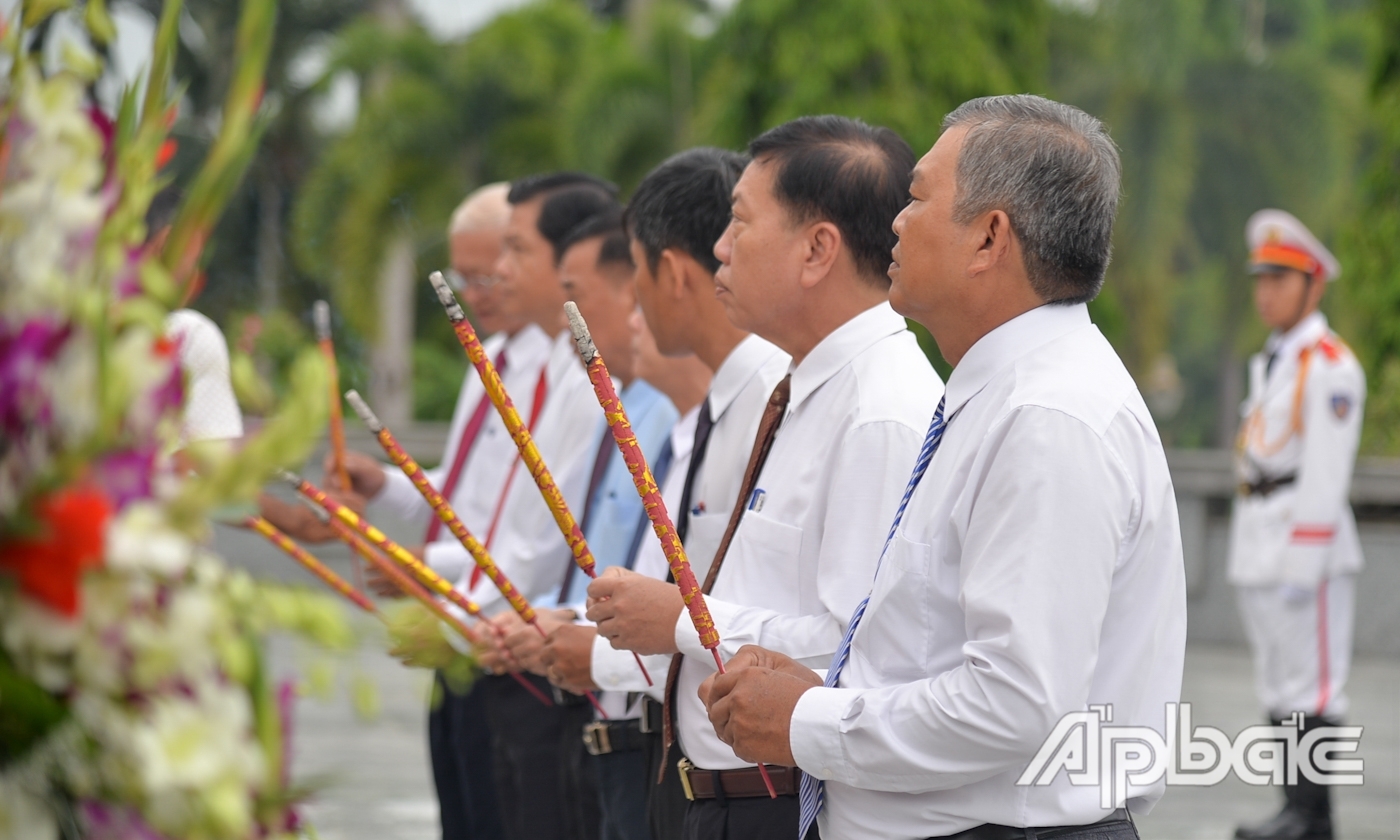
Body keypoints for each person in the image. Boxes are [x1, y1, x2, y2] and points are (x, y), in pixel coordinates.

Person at [699, 94, 1187, 840]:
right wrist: (832, 689)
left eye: (920, 197)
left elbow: (1013, 703)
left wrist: (813, 720)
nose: (897, 219)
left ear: (990, 237)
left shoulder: (1046, 417)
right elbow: (942, 650)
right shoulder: (998, 394)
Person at [588, 118, 941, 840]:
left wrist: (681, 620)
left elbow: (860, 653)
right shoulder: (804, 387)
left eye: (741, 223)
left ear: (817, 250)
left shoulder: (880, 410)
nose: (720, 247)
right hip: (725, 794)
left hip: (784, 802)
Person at [540, 146, 789, 840]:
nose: (632, 308)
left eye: (738, 233)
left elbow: (795, 633)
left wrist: (604, 649)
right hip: (687, 770)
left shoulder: (779, 401)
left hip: (754, 784)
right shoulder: (723, 407)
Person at [333, 182, 540, 840]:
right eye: (463, 275)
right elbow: (479, 488)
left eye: (490, 274)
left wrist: (427, 567)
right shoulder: (499, 360)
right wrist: (390, 486)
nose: (475, 292)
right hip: (459, 626)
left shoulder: (554, 370)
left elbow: (535, 521)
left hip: (508, 639)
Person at [497, 211, 679, 840]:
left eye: (574, 293)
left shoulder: (670, 415)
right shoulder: (628, 404)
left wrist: (575, 629)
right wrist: (553, 616)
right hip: (591, 691)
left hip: (641, 718)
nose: (561, 315)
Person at [464, 174, 623, 840]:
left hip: (565, 669)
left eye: (515, 251)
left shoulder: (603, 380)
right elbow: (513, 517)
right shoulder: (549, 366)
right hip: (531, 644)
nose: (499, 274)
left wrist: (475, 616)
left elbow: (554, 543)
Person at [1229, 209, 1364, 840]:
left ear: (1313, 285)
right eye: (1261, 278)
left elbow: (1326, 473)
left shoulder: (1330, 364)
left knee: (1313, 688)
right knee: (1281, 683)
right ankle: (1293, 811)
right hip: (1262, 537)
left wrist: (1303, 564)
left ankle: (1314, 817)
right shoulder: (1280, 360)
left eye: (1280, 279)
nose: (1265, 292)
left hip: (1304, 549)